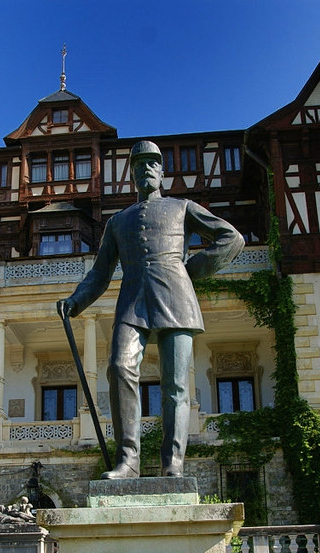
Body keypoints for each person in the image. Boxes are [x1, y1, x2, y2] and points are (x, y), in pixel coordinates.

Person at [58, 140, 244, 479]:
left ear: (161, 172)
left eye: (152, 163)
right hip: (132, 302)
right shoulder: (118, 222)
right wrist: (76, 301)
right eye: (139, 164)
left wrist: (191, 268)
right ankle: (128, 461)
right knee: (119, 367)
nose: (146, 168)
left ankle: (173, 463)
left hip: (177, 298)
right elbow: (100, 272)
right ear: (132, 174)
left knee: (175, 385)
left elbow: (231, 238)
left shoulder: (182, 207)